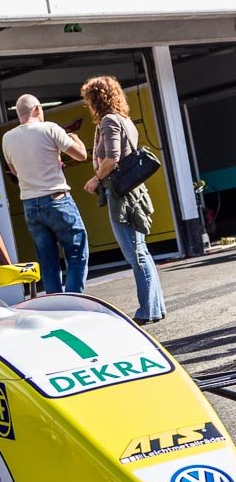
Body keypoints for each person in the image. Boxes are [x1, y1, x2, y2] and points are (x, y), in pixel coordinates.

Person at [81, 76, 166, 325]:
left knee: (135, 255)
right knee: (143, 252)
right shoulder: (125, 120)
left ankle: (146, 311)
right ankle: (156, 307)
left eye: (89, 99)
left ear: (96, 99)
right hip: (135, 193)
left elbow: (112, 158)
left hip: (122, 197)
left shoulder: (108, 121)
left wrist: (95, 179)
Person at [2, 94, 89, 294]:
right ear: (37, 109)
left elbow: (15, 171)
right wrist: (74, 138)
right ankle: (73, 302)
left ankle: (55, 306)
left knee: (48, 262)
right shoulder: (50, 128)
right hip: (57, 200)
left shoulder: (8, 138)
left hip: (31, 205)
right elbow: (81, 155)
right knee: (77, 253)